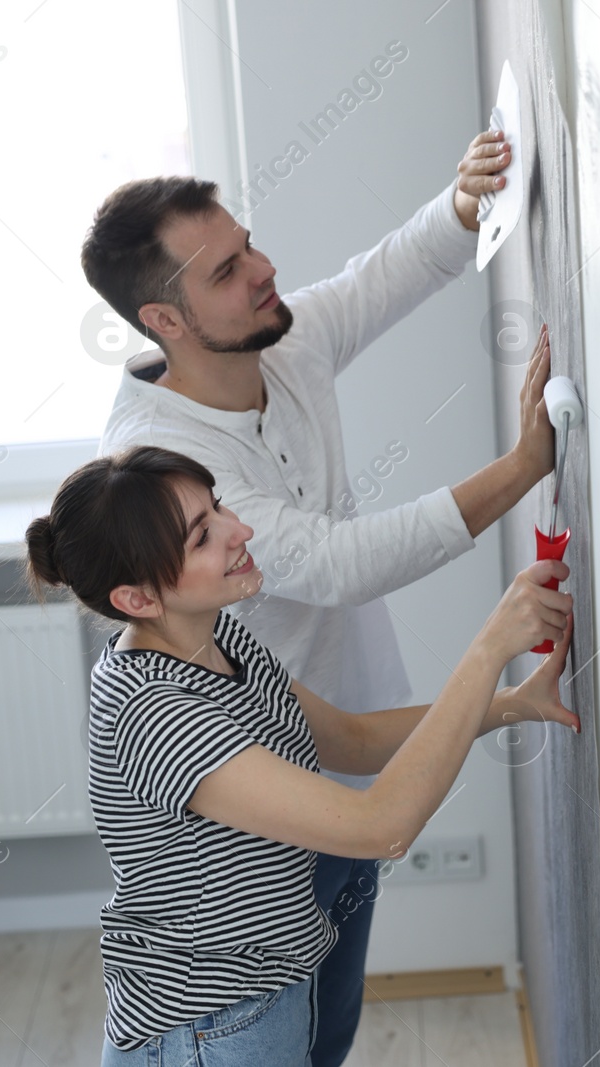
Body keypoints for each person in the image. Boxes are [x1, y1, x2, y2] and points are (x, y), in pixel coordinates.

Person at [84, 130, 556, 1064]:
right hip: (269, 804)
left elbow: (379, 276)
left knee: (314, 1033)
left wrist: (463, 206)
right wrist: (521, 473)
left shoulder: (276, 344)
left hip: (331, 750)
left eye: (248, 242)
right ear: (164, 319)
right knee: (285, 1022)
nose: (263, 271)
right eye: (227, 270)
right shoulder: (160, 462)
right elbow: (340, 562)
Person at [23, 445, 575, 1065]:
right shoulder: (154, 712)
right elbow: (381, 827)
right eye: (204, 535)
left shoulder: (217, 635)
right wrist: (489, 646)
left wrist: (513, 703)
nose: (241, 530)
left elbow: (352, 741)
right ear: (138, 600)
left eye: (220, 506)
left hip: (264, 998)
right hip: (206, 1031)